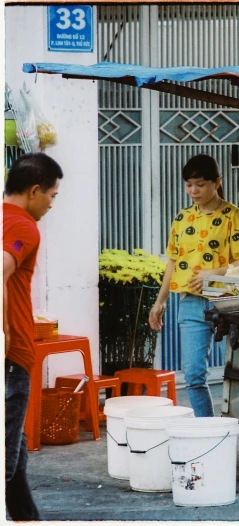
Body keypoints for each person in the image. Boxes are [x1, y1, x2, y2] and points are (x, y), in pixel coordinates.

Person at [148, 154, 239, 417]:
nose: (193, 191)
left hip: (229, 302)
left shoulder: (234, 216)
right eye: (189, 185)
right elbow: (173, 262)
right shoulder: (182, 218)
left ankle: (238, 427)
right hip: (190, 303)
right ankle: (207, 430)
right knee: (194, 374)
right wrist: (160, 301)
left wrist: (213, 273)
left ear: (217, 182)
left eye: (200, 184)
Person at [4, 153, 63, 521]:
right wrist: (5, 332)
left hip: (11, 355)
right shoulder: (24, 226)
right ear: (34, 190)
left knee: (16, 457)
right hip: (13, 357)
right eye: (52, 196)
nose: (51, 204)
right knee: (5, 460)